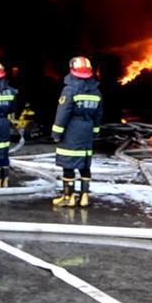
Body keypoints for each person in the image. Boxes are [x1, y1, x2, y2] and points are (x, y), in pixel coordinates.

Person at [51, 56, 102, 207]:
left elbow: (63, 113)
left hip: (72, 130)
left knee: (68, 163)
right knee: (85, 164)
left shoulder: (70, 90)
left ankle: (69, 197)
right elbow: (98, 114)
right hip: (87, 130)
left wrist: (56, 133)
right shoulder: (96, 92)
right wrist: (95, 132)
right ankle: (85, 197)